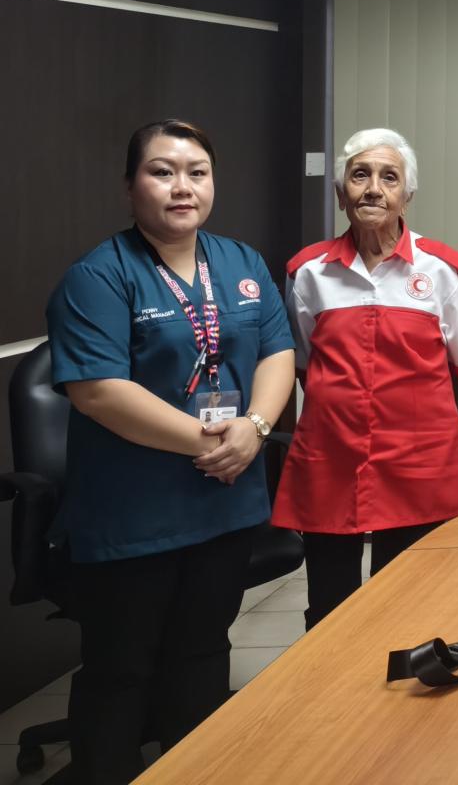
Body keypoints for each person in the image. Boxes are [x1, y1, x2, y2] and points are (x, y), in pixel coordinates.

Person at [45, 120, 296, 785]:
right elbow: (98, 392)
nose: (182, 186)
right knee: (120, 672)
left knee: (203, 655)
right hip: (134, 518)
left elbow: (277, 352)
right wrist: (215, 442)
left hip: (224, 505)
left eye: (197, 172)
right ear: (130, 186)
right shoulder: (98, 276)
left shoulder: (241, 263)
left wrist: (256, 427)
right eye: (162, 171)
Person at [274, 128, 458, 628]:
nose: (373, 189)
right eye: (360, 175)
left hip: (420, 463)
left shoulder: (444, 269)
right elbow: (303, 364)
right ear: (340, 193)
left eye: (389, 177)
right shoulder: (307, 272)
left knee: (412, 610)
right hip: (332, 461)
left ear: (407, 195)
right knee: (330, 611)